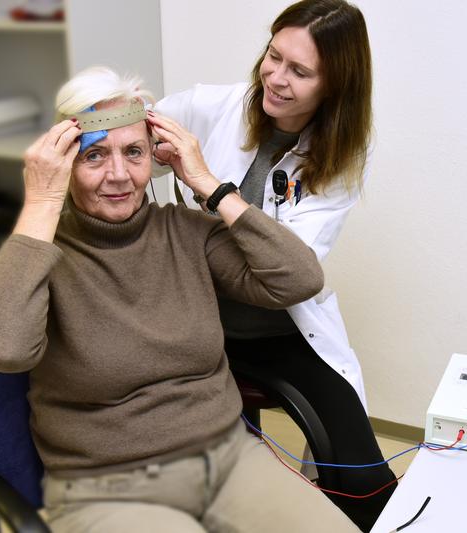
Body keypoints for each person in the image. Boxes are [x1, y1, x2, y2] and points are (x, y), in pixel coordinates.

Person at [0, 66, 360, 533]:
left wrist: (211, 186)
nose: (118, 175)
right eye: (94, 156)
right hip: (106, 488)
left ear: (154, 156)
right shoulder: (39, 257)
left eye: (133, 152)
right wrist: (41, 201)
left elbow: (298, 279)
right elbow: (3, 350)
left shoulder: (187, 233)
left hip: (230, 463)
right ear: (64, 162)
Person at [154, 0, 395, 529]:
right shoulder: (215, 106)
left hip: (281, 326)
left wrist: (210, 187)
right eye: (273, 56)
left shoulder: (344, 152)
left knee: (362, 477)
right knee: (227, 485)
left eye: (300, 71)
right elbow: (138, 125)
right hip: (198, 325)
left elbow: (290, 272)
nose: (276, 79)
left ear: (334, 86)